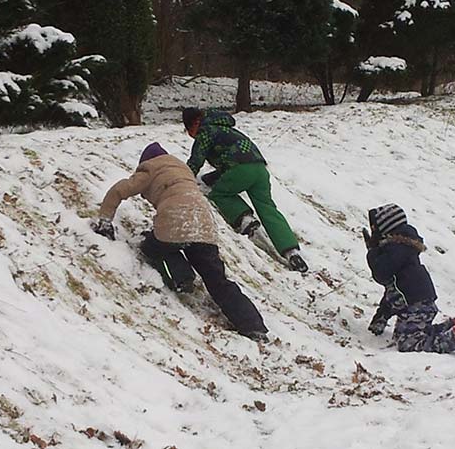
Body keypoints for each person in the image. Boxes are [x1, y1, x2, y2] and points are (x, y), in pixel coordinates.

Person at [92, 142, 269, 342]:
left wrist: (105, 220)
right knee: (218, 280)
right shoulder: (183, 171)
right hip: (204, 225)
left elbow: (119, 190)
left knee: (152, 246)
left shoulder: (150, 168)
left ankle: (181, 277)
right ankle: (253, 326)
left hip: (175, 219)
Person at [182, 107, 308, 273]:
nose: (190, 134)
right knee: (267, 207)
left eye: (187, 129)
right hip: (260, 170)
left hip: (239, 169)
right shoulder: (227, 129)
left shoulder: (206, 131)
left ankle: (245, 219)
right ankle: (291, 251)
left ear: (195, 122)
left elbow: (196, 160)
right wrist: (212, 177)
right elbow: (230, 154)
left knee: (219, 194)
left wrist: (182, 178)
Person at [364, 204, 455, 355]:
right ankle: (447, 327)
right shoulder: (400, 247)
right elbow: (390, 296)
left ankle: (452, 340)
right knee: (403, 335)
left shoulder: (394, 250)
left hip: (414, 305)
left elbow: (381, 273)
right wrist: (378, 322)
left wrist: (372, 252)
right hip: (418, 302)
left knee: (408, 343)